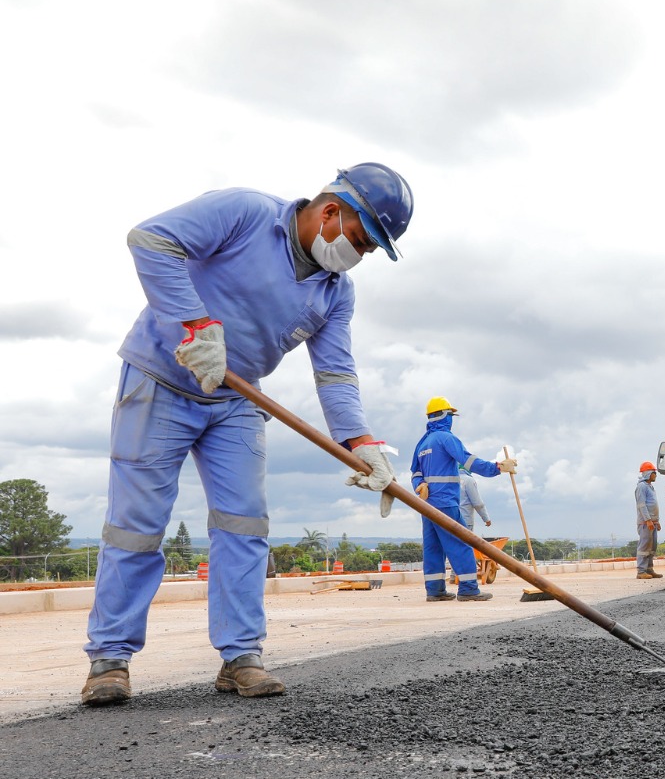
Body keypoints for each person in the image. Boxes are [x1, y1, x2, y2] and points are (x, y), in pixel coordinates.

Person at [80, 163, 413, 707]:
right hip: (161, 378)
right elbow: (151, 239)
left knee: (244, 524)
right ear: (331, 211)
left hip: (237, 398)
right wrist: (194, 325)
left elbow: (335, 372)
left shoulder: (335, 292)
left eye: (373, 250)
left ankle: (240, 657)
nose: (362, 256)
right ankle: (110, 660)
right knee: (136, 526)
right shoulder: (245, 213)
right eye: (361, 240)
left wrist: (360, 443)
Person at [410, 397, 514, 603]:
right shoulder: (446, 438)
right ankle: (468, 588)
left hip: (426, 504)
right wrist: (498, 467)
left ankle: (435, 590)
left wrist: (418, 485)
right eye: (450, 415)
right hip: (445, 501)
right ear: (444, 416)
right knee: (460, 542)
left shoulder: (422, 443)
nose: (451, 419)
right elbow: (469, 462)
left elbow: (415, 472)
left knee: (433, 547)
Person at [636, 462, 662, 578]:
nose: (655, 475)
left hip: (652, 522)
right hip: (645, 523)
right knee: (644, 547)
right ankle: (641, 571)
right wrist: (648, 520)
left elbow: (652, 505)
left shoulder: (649, 487)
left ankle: (649, 569)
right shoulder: (641, 487)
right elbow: (642, 505)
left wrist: (656, 521)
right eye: (654, 473)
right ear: (648, 473)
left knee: (652, 547)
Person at [459, 465, 492, 532]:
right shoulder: (468, 480)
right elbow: (477, 503)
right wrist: (486, 519)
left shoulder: (449, 479)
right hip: (465, 520)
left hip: (449, 520)